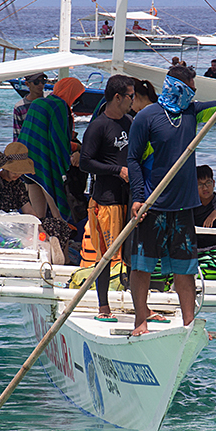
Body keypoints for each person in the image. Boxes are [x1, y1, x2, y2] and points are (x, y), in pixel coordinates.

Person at [127, 62, 216, 336]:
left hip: (183, 207)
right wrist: (137, 198)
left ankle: (189, 325)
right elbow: (134, 160)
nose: (195, 92)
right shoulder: (147, 117)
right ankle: (141, 320)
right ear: (178, 87)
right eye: (192, 87)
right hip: (153, 206)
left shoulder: (192, 113)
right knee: (142, 266)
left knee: (185, 267)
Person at [80, 75, 135, 322]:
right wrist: (116, 170)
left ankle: (139, 306)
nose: (133, 100)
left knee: (133, 254)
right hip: (106, 199)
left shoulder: (131, 123)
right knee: (106, 255)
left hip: (130, 198)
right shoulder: (98, 126)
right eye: (130, 96)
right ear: (117, 97)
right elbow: (84, 162)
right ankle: (103, 306)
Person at [17, 76, 86, 223]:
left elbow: (33, 134)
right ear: (70, 92)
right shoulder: (59, 106)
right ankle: (60, 243)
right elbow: (59, 140)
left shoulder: (38, 102)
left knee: (37, 215)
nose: (76, 100)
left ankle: (37, 241)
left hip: (28, 162)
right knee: (58, 212)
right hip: (45, 163)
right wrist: (78, 148)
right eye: (76, 96)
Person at [0, 142, 36, 216]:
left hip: (11, 223)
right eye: (14, 172)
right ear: (5, 168)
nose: (18, 174)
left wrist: (38, 225)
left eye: (21, 172)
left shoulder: (18, 184)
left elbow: (28, 210)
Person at [13, 72, 46, 141]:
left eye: (43, 81)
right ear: (27, 84)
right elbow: (17, 134)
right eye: (36, 82)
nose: (40, 85)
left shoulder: (49, 100)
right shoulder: (20, 107)